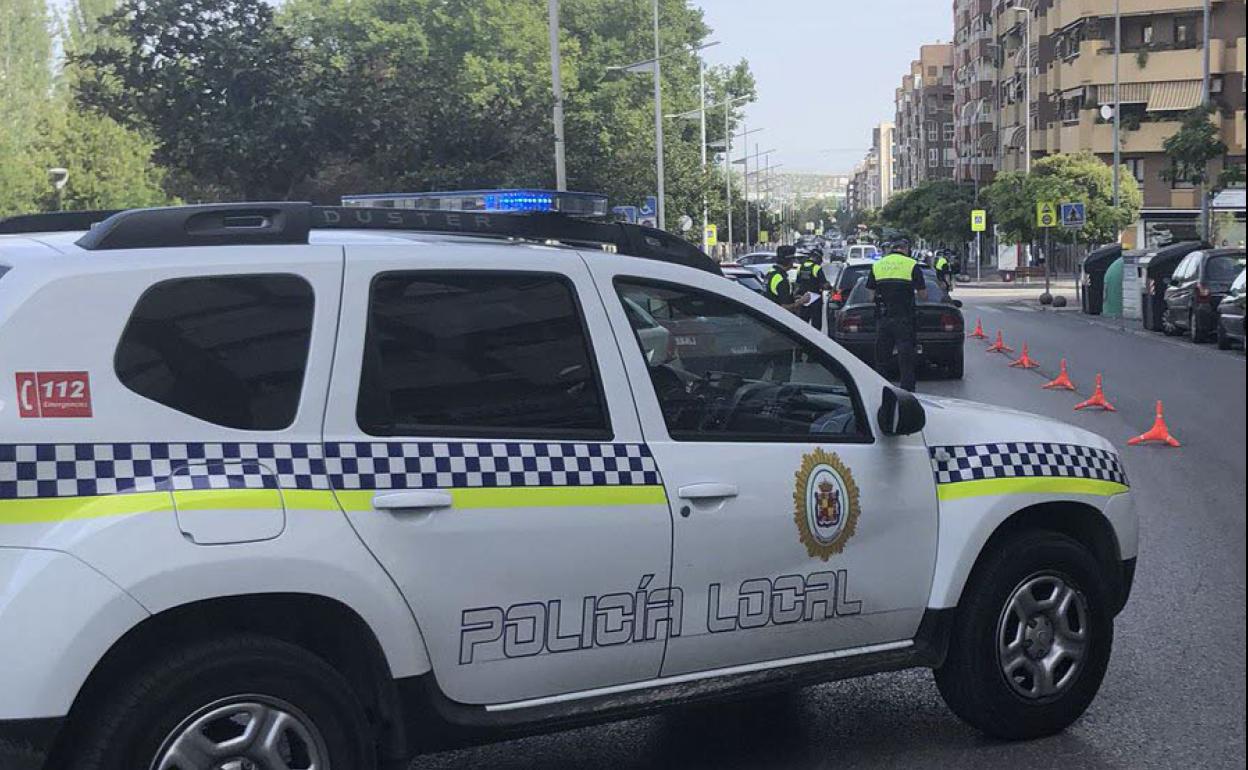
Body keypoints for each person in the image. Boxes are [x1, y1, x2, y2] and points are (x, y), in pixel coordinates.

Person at [865, 238, 927, 392]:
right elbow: (923, 295)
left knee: (882, 357)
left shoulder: (878, 265)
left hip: (884, 317)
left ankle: (882, 389)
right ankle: (907, 390)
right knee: (906, 356)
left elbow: (870, 297)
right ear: (905, 249)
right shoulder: (912, 265)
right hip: (904, 317)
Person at [794, 247, 831, 331]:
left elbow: (797, 284)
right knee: (816, 326)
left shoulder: (801, 267)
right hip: (815, 301)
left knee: (803, 326)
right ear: (817, 258)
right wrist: (829, 286)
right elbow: (825, 285)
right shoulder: (816, 268)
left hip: (803, 300)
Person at [765, 246, 801, 312]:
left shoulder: (771, 273)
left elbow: (775, 296)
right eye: (793, 260)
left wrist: (792, 297)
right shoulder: (781, 279)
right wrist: (801, 302)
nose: (793, 262)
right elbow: (784, 307)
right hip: (779, 318)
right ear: (789, 261)